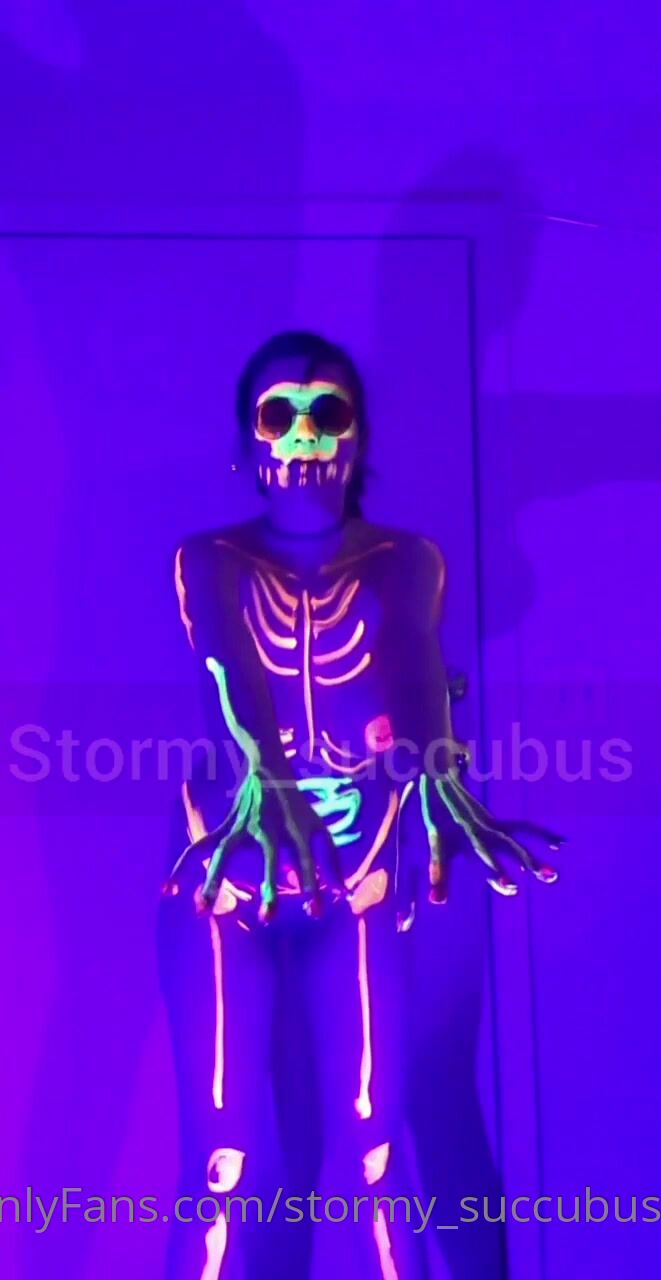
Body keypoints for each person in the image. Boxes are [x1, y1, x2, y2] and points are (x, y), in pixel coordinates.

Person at [158, 330, 561, 1279]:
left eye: (326, 413)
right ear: (247, 444)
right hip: (230, 882)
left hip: (360, 884)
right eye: (280, 416)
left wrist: (438, 765)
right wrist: (264, 773)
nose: (303, 436)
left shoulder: (402, 559)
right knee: (221, 1160)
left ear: (358, 438)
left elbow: (414, 653)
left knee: (380, 1153)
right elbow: (226, 656)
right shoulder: (210, 559)